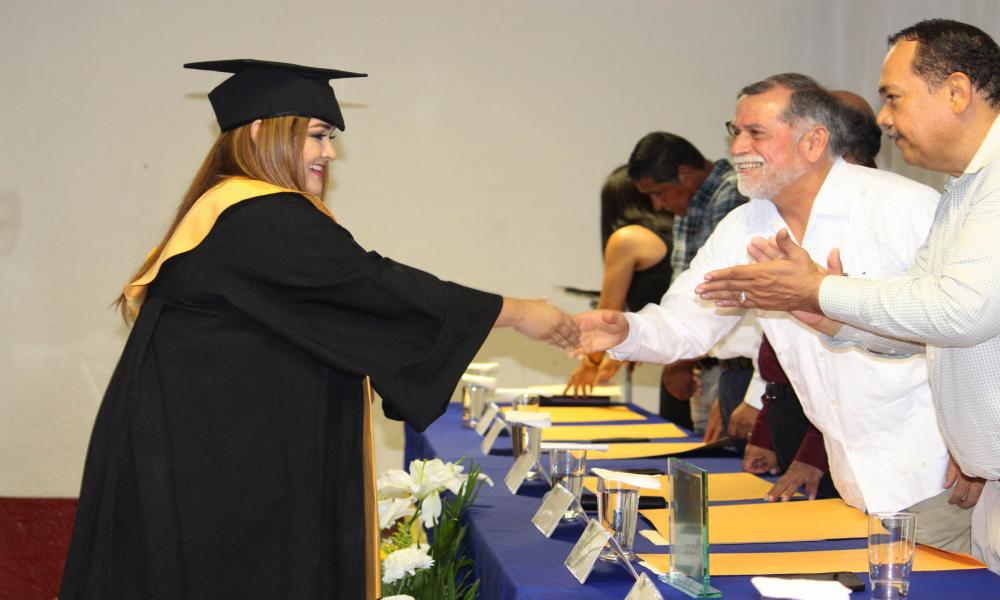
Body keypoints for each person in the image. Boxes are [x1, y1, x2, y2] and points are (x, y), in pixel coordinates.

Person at [59, 59, 579, 600]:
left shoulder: (235, 210)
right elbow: (375, 289)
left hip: (215, 460)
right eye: (318, 136)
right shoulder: (258, 216)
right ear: (262, 131)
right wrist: (519, 312)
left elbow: (347, 305)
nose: (330, 153)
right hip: (212, 476)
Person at [577, 73, 973, 552]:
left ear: (813, 141)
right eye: (735, 131)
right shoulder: (744, 225)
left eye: (756, 133)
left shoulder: (902, 207)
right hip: (854, 481)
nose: (738, 147)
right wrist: (625, 329)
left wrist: (971, 445)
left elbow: (969, 328)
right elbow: (687, 321)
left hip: (940, 474)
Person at [696, 19, 1000, 572]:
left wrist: (823, 289)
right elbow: (923, 329)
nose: (883, 118)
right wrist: (828, 316)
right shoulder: (965, 188)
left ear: (956, 92)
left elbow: (962, 312)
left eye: (893, 97)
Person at [626, 132, 756, 433]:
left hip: (741, 369)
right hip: (711, 363)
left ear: (685, 176)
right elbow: (684, 290)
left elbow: (723, 294)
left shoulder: (733, 196)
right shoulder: (690, 204)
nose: (657, 205)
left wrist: (682, 363)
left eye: (658, 193)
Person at [564, 165, 674, 397]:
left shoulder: (627, 239)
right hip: (693, 359)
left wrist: (591, 363)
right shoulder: (674, 233)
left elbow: (607, 312)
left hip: (685, 366)